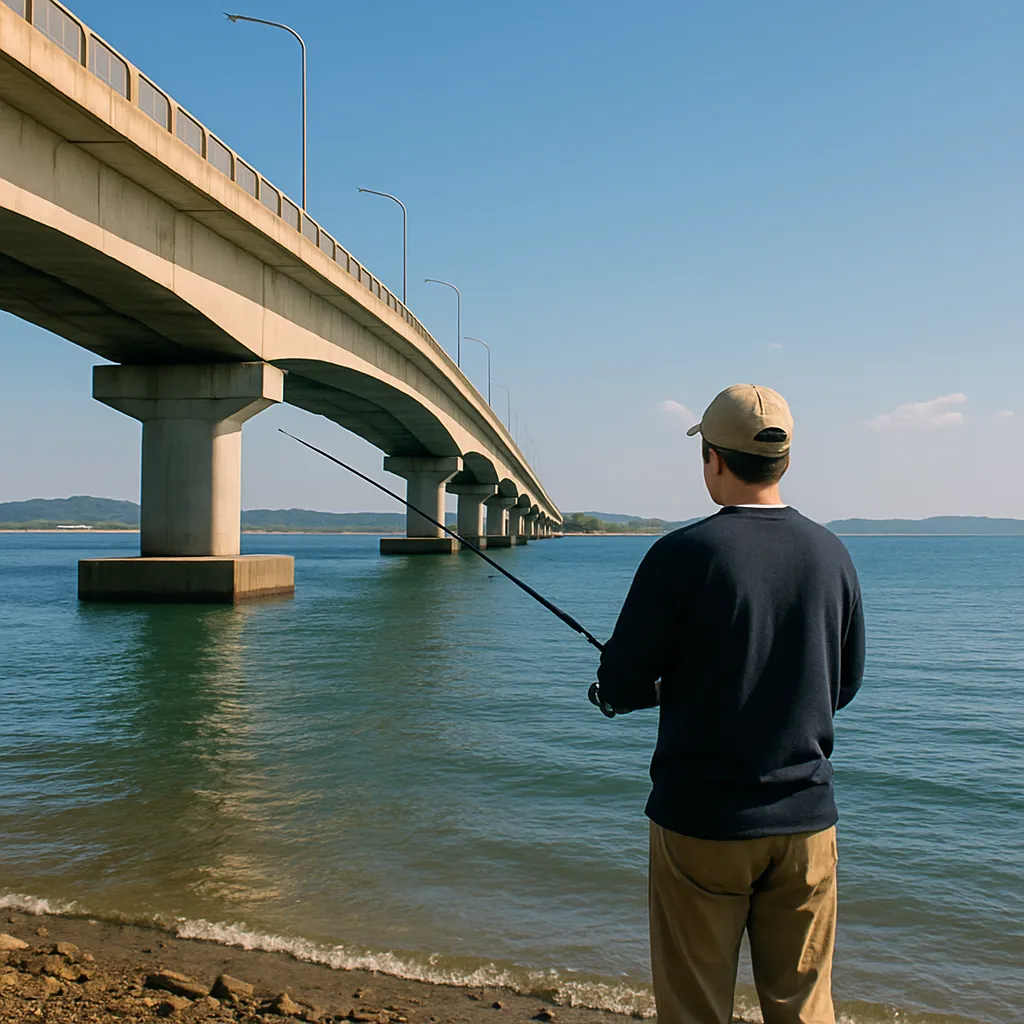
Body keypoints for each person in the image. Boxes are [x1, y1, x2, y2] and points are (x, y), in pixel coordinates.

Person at [593, 384, 864, 1024]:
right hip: (805, 823)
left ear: (712, 459)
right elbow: (844, 685)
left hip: (700, 825)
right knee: (803, 1008)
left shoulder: (681, 555)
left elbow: (621, 684)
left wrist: (656, 689)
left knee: (695, 1009)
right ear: (786, 460)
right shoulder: (833, 554)